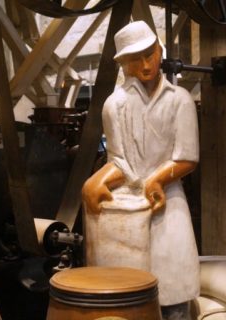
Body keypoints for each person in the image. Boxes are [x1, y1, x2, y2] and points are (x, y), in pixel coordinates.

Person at [82, 20, 200, 319]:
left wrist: (158, 179)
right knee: (127, 296)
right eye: (135, 59)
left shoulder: (179, 100)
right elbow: (119, 160)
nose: (145, 64)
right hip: (128, 205)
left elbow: (187, 157)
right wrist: (96, 181)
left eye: (149, 55)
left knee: (173, 292)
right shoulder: (115, 104)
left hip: (168, 200)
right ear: (123, 63)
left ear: (160, 51)